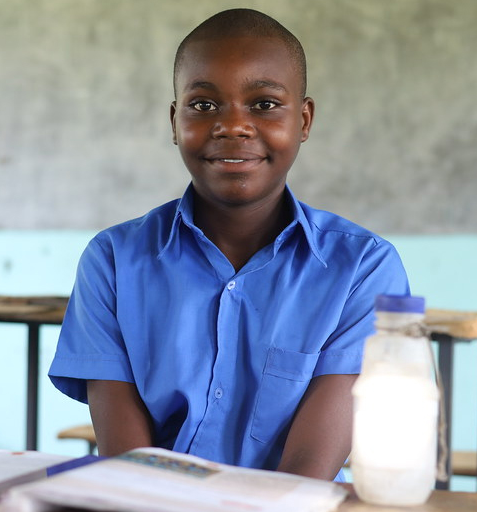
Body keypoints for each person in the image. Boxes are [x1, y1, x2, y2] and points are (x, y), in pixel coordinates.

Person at [48, 8, 409, 481]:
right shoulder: (114, 261)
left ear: (304, 120)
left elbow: (307, 473)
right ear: (175, 121)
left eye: (263, 104)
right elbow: (129, 468)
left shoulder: (361, 268)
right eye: (203, 105)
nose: (232, 126)